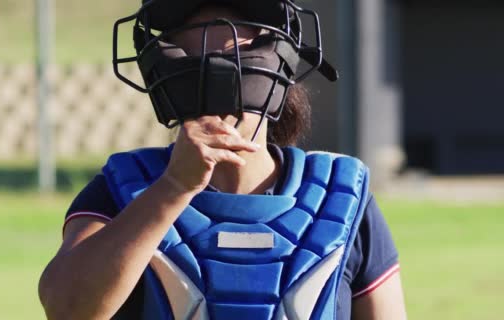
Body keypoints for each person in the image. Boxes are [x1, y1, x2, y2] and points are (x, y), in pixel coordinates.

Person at [39, 1, 407, 319]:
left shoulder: (340, 199)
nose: (218, 76)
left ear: (280, 63)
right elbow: (67, 309)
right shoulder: (126, 190)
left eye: (239, 58)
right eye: (194, 57)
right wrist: (172, 188)